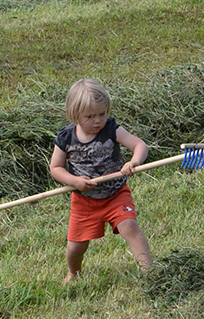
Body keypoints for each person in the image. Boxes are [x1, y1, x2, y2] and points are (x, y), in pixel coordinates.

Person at [50, 79, 153, 284]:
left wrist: (134, 162)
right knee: (75, 246)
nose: (98, 120)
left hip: (116, 194)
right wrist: (74, 181)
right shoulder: (66, 137)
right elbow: (55, 168)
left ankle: (150, 273)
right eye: (90, 116)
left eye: (102, 114)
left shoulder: (111, 129)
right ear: (75, 115)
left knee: (130, 227)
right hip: (84, 201)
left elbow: (140, 145)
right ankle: (73, 273)